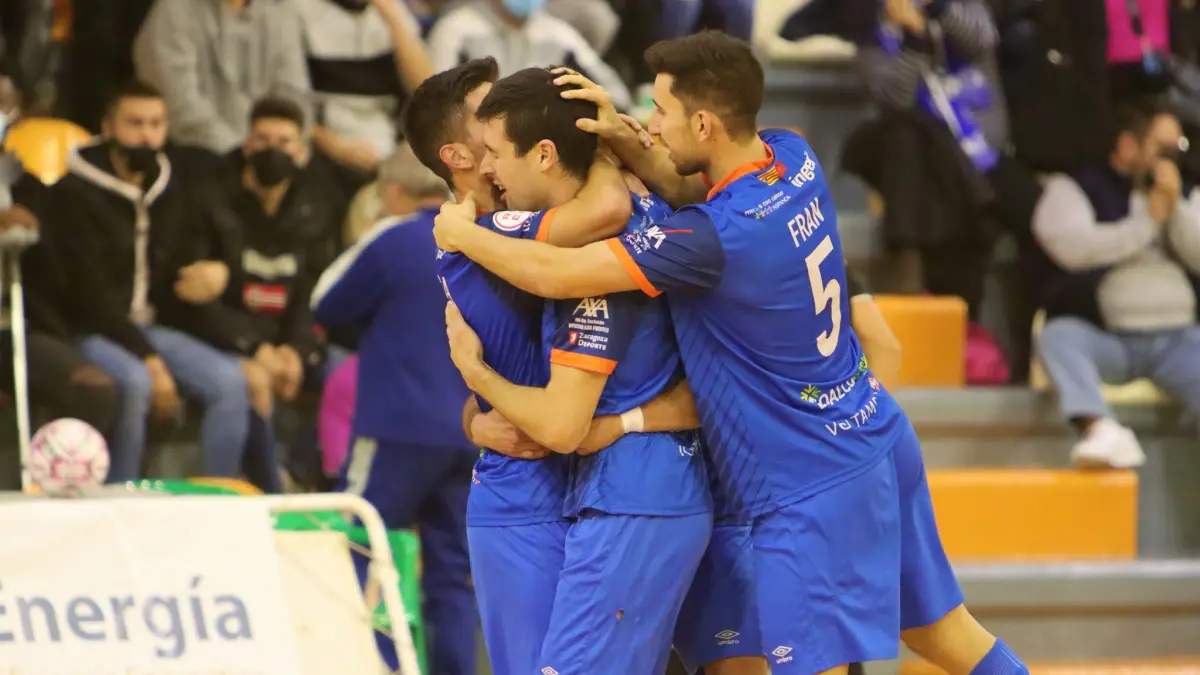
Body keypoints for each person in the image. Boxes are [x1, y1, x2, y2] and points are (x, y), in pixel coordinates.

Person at [431, 33, 1031, 675]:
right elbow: (686, 184)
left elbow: (555, 274)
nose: (651, 125)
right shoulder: (794, 155)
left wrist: (463, 235)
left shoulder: (711, 239)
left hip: (807, 485)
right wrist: (627, 141)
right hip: (878, 436)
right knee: (946, 636)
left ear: (703, 124)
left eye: (661, 111)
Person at [441, 67, 711, 674]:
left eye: (496, 153)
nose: (489, 168)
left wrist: (476, 375)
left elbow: (563, 426)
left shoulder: (591, 262)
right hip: (641, 491)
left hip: (634, 498)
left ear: (543, 154)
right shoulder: (638, 209)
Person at [398, 57, 638, 675]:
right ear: (458, 155)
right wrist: (598, 146)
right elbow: (608, 209)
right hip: (523, 501)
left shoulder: (484, 227)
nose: (511, 114)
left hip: (577, 487)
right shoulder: (486, 228)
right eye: (491, 111)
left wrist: (476, 413)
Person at [52, 81, 272, 486]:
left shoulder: (170, 187)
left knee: (230, 382)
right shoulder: (72, 193)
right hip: (91, 329)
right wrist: (150, 360)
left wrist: (219, 275)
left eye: (156, 124)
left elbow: (183, 271)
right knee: (135, 383)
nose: (146, 136)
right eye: (134, 123)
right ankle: (120, 498)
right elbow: (89, 297)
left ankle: (216, 497)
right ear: (108, 127)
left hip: (152, 326)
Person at [311, 143, 478, 675]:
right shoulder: (481, 238)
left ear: (395, 191)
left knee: (355, 541)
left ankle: (377, 665)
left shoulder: (393, 235)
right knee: (452, 572)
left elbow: (325, 301)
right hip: (470, 431)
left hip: (398, 429)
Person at [1032, 104, 1200, 470]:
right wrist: (1145, 224)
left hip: (1181, 340)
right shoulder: (1076, 187)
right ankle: (1101, 429)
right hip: (1108, 337)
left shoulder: (1189, 192)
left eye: (1178, 148)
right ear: (1127, 145)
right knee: (1057, 337)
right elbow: (1072, 248)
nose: (1170, 159)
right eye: (1161, 148)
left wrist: (1176, 211)